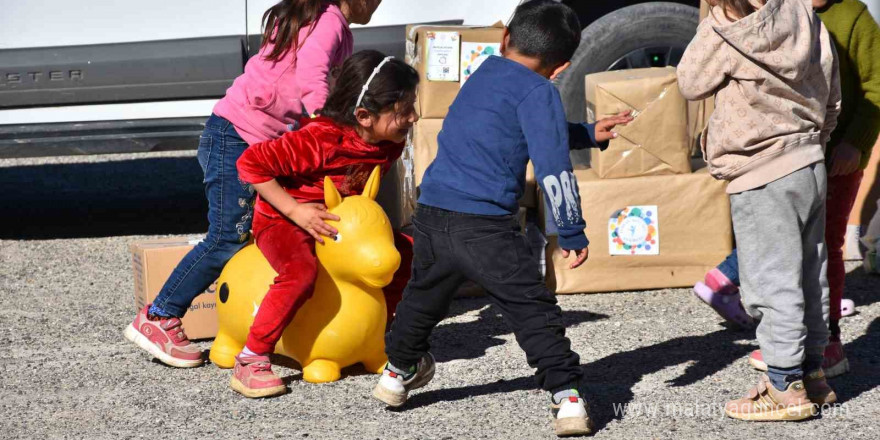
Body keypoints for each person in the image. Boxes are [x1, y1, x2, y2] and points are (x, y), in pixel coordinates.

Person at [371, 1, 631, 437]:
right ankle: (566, 397)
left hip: (433, 215)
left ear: (506, 38)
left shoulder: (484, 75)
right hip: (486, 228)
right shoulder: (540, 91)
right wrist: (570, 229)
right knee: (531, 309)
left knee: (423, 300)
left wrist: (587, 132)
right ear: (561, 66)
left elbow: (515, 123)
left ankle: (395, 373)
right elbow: (552, 166)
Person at [124, 0, 381, 368]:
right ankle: (160, 315)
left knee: (242, 233)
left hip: (243, 136)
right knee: (227, 236)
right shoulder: (330, 22)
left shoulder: (317, 18)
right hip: (237, 138)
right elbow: (312, 74)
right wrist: (325, 127)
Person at [692, 0, 880, 381]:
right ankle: (797, 356)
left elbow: (874, 88)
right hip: (783, 158)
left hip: (834, 159)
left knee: (820, 252)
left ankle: (818, 349)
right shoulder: (771, 10)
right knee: (780, 253)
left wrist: (854, 143)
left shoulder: (852, 16)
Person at [678, 0, 841, 421]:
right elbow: (831, 90)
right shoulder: (806, 16)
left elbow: (690, 82)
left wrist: (714, 20)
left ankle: (785, 386)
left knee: (772, 280)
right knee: (810, 272)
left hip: (759, 171)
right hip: (808, 160)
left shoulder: (727, 29)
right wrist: (815, 143)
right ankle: (814, 374)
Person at [230, 50, 419, 397]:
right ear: (363, 115)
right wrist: (296, 212)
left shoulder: (388, 141)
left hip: (338, 226)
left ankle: (378, 332)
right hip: (284, 219)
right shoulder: (319, 140)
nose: (414, 117)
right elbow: (250, 164)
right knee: (300, 272)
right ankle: (252, 356)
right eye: (403, 111)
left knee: (406, 256)